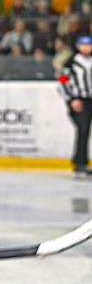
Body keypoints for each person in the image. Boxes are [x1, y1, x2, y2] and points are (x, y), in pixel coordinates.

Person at [58, 35, 92, 178]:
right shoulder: (71, 62)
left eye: (89, 45)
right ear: (78, 46)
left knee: (86, 131)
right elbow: (62, 81)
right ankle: (79, 163)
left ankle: (82, 162)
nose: (86, 48)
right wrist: (71, 99)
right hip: (79, 101)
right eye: (83, 45)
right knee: (83, 129)